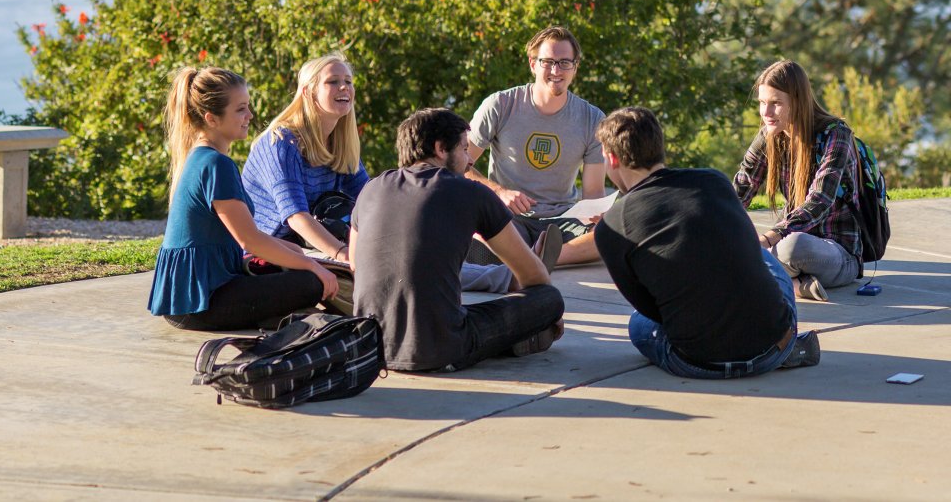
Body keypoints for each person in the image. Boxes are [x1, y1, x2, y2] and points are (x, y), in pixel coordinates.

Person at [592, 106, 819, 379]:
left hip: (696, 362)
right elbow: (746, 247)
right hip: (774, 346)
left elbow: (648, 309)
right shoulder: (713, 181)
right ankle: (782, 345)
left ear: (612, 158)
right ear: (658, 146)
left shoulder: (610, 226)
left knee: (638, 324)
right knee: (762, 257)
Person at [350, 107, 566, 372]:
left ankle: (513, 339)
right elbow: (533, 275)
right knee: (549, 298)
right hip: (441, 349)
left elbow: (354, 264)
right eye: (465, 149)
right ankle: (520, 335)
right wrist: (548, 314)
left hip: (370, 346)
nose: (470, 160)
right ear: (441, 149)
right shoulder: (471, 192)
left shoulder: (370, 189)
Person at [148, 66, 338, 331]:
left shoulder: (203, 157)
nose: (250, 115)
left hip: (193, 297)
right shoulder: (216, 164)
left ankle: (275, 315)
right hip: (199, 304)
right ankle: (277, 316)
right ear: (211, 118)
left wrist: (291, 252)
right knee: (311, 282)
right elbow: (249, 240)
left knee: (291, 258)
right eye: (240, 109)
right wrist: (310, 264)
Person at [466, 25, 606, 265]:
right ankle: (530, 254)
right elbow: (460, 165)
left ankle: (533, 256)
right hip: (508, 218)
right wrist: (499, 192)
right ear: (533, 64)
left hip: (562, 222)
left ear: (575, 67)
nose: (555, 70)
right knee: (478, 233)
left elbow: (593, 194)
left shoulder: (592, 119)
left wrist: (597, 215)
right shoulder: (500, 105)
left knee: (609, 236)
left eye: (564, 62)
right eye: (548, 61)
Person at [733, 60, 862, 301]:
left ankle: (773, 277)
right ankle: (793, 283)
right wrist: (714, 224)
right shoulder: (771, 134)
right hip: (784, 245)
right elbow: (742, 186)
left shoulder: (836, 134)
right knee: (727, 247)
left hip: (836, 254)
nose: (766, 113)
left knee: (793, 246)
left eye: (776, 104)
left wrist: (768, 237)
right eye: (762, 103)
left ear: (798, 101)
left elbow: (819, 201)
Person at [243, 53, 369, 262]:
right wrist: (342, 254)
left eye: (348, 82)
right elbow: (296, 217)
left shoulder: (340, 144)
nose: (344, 87)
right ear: (309, 93)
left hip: (306, 249)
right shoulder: (282, 142)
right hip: (262, 253)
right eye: (332, 82)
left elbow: (369, 199)